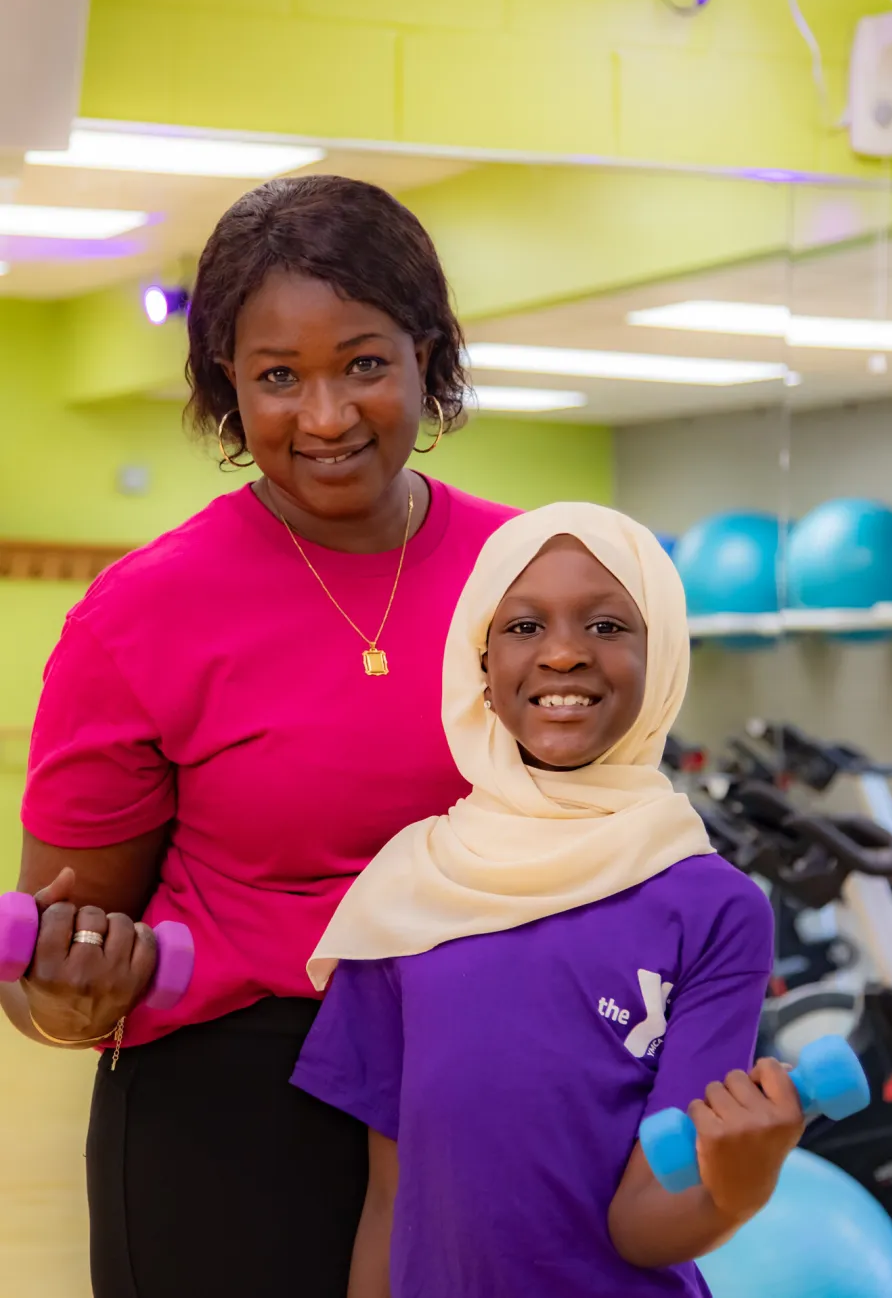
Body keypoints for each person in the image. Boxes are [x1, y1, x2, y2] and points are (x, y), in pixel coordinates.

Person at [0, 175, 516, 1298]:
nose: (324, 414)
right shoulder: (143, 612)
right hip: (234, 1113)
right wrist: (71, 990)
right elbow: (50, 953)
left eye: (363, 363)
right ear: (226, 385)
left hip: (486, 1083)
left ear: (425, 353)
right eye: (279, 376)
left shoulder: (529, 576)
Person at [291, 503, 803, 1298]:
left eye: (606, 626)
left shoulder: (714, 909)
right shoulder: (414, 887)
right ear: (481, 669)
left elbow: (643, 1226)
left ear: (663, 656)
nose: (564, 655)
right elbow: (392, 1199)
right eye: (524, 628)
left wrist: (738, 1188)